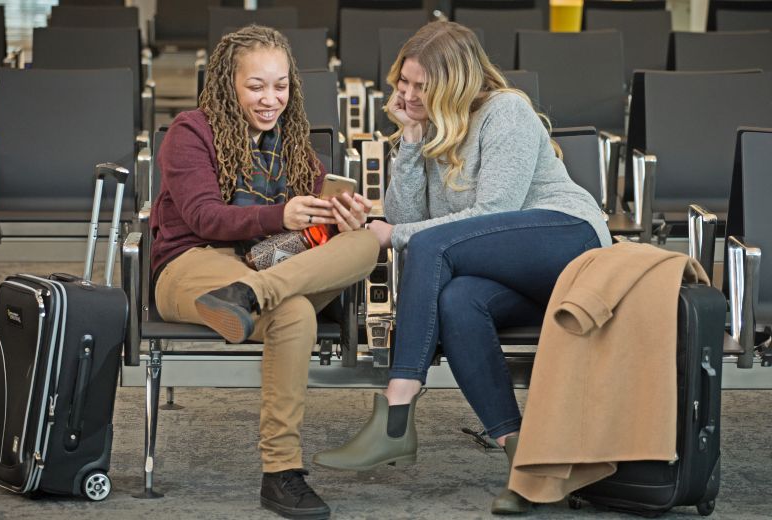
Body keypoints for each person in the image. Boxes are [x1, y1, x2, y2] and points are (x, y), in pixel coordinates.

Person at [312, 21, 612, 514]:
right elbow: (412, 220)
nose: (405, 95)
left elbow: (494, 214)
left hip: (566, 240)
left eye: (418, 86)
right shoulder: (432, 128)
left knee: (433, 247)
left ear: (453, 83)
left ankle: (398, 410)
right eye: (401, 83)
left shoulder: (505, 111)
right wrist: (410, 139)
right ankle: (524, 467)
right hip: (509, 268)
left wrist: (391, 233)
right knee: (458, 302)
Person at [150, 25, 379, 519]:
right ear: (227, 84)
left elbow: (316, 222)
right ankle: (282, 472)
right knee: (294, 310)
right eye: (256, 86)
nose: (270, 98)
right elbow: (204, 218)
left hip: (264, 269)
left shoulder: (295, 142)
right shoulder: (189, 133)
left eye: (280, 85)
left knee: (367, 241)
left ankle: (249, 295)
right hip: (191, 265)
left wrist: (344, 216)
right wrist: (282, 215)